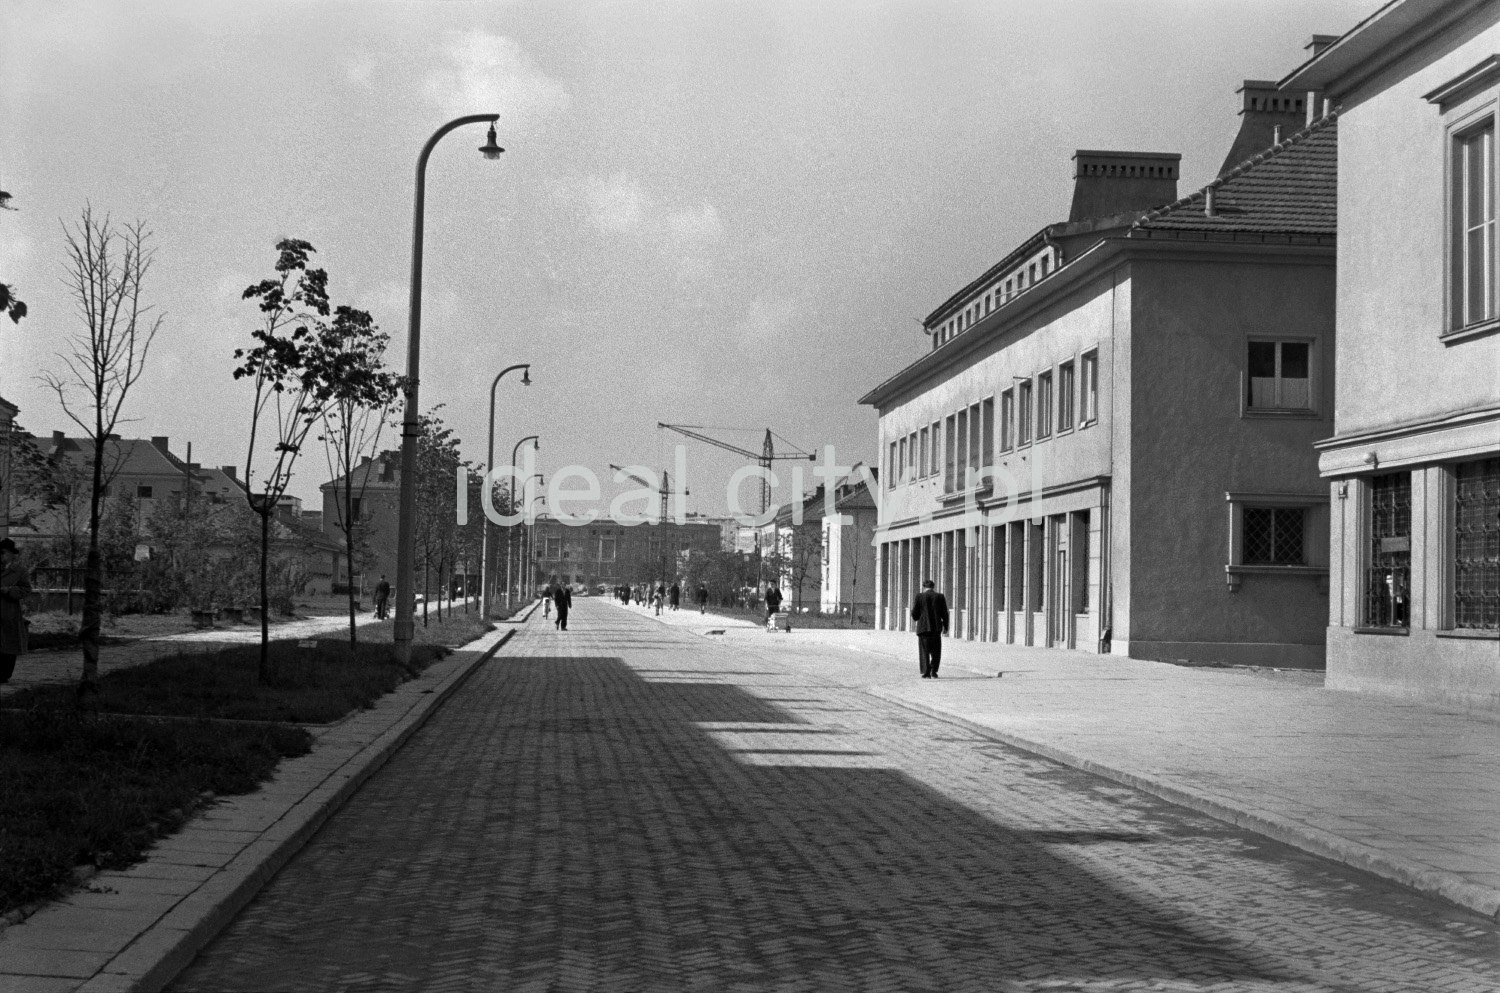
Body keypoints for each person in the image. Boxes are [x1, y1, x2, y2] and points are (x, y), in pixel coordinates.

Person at [0, 539, 32, 685]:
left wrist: (10, 590)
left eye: (4, 553)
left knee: (9, 645)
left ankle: (5, 674)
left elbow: (26, 589)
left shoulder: (19, 571)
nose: (1, 556)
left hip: (9, 613)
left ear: (12, 555)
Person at [911, 579, 950, 678]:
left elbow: (914, 612)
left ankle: (926, 672)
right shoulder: (940, 596)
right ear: (933, 587)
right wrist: (946, 626)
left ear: (924, 587)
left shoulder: (919, 596)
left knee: (924, 651)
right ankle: (934, 671)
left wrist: (917, 618)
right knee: (936, 651)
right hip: (936, 628)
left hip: (923, 628)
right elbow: (945, 613)